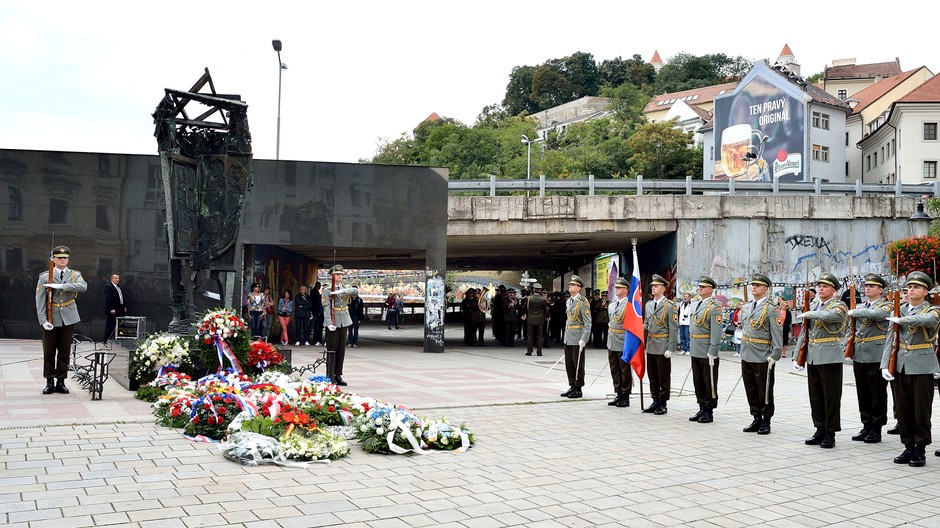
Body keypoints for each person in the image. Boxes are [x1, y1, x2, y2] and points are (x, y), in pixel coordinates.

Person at [881, 271, 940, 467]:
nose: (911, 290)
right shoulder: (899, 310)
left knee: (921, 409)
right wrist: (885, 365)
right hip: (900, 365)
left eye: (916, 287)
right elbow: (890, 339)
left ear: (925, 291)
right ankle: (908, 445)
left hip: (922, 366)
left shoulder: (932, 310)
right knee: (903, 408)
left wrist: (902, 320)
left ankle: (920, 448)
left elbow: (928, 321)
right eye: (909, 287)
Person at [793, 272, 848, 449]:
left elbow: (831, 317)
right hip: (812, 355)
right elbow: (805, 332)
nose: (821, 289)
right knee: (815, 396)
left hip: (830, 355)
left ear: (833, 290)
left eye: (825, 286)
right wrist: (797, 357)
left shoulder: (839, 306)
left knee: (831, 396)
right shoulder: (813, 305)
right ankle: (819, 428)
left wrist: (811, 313)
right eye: (819, 286)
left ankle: (830, 432)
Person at [35, 245, 87, 395]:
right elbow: (39, 299)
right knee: (49, 351)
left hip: (68, 318)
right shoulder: (45, 276)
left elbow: (83, 287)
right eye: (59, 258)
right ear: (53, 259)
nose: (63, 260)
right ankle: (49, 381)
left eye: (65, 258)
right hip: (51, 316)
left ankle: (61, 381)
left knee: (64, 351)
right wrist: (43, 319)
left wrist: (61, 286)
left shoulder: (74, 275)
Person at [846, 274, 891, 444]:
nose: (867, 288)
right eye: (866, 286)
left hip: (877, 354)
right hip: (860, 354)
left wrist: (855, 311)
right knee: (863, 392)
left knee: (877, 393)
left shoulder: (887, 306)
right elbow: (852, 329)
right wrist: (847, 347)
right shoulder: (860, 306)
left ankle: (876, 427)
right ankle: (866, 424)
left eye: (872, 286)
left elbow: (876, 314)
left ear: (880, 289)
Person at [738, 273, 783, 434]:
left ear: (765, 288)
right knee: (750, 387)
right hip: (747, 352)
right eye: (753, 285)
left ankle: (766, 420)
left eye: (758, 285)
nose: (754, 287)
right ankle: (756, 417)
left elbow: (777, 333)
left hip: (762, 354)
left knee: (764, 389)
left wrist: (775, 354)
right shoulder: (746, 307)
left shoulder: (771, 309)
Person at [688, 275, 723, 423]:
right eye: (699, 286)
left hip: (706, 349)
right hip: (695, 347)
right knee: (698, 381)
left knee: (709, 381)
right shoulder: (696, 304)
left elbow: (716, 331)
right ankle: (701, 406)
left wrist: (713, 350)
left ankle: (709, 410)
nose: (699, 289)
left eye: (703, 287)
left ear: (710, 290)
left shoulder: (715, 307)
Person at [643, 274, 678, 415]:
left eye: (656, 286)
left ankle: (663, 403)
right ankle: (655, 400)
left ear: (663, 289)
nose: (653, 288)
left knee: (663, 376)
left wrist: (671, 348)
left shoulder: (670, 306)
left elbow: (673, 329)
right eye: (652, 286)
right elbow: (647, 324)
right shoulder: (649, 305)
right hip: (651, 344)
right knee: (652, 375)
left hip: (663, 345)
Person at [322, 265, 358, 386]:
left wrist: (342, 291)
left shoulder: (344, 288)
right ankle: (330, 375)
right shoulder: (327, 291)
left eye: (341, 274)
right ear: (332, 276)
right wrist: (328, 323)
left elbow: (355, 291)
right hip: (334, 322)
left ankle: (338, 374)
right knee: (332, 350)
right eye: (337, 274)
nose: (340, 276)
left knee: (341, 350)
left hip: (344, 321)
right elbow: (326, 308)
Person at [560, 275, 592, 399]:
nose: (570, 286)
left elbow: (587, 323)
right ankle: (572, 385)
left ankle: (578, 388)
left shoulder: (583, 302)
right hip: (568, 336)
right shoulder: (569, 301)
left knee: (578, 363)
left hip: (578, 337)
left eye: (573, 285)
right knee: (569, 364)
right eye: (570, 284)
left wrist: (584, 339)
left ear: (579, 288)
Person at [606, 277, 633, 407]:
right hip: (612, 340)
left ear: (626, 290)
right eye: (616, 287)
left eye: (619, 287)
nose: (616, 289)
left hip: (623, 341)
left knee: (624, 369)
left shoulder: (629, 305)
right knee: (615, 369)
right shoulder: (612, 305)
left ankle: (625, 395)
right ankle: (618, 393)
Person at [525, 283, 548, 356]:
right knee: (539, 336)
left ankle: (529, 351)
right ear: (540, 290)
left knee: (530, 336)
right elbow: (546, 309)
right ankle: (539, 352)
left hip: (530, 318)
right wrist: (547, 316)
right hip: (540, 319)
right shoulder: (543, 299)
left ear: (534, 290)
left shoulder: (529, 298)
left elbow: (525, 308)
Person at [103, 272, 127, 343]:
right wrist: (111, 309)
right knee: (110, 325)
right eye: (116, 278)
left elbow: (121, 297)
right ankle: (106, 340)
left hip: (119, 308)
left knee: (118, 325)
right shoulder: (109, 287)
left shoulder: (118, 287)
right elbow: (108, 299)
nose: (117, 279)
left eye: (118, 278)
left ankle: (115, 340)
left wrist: (123, 306)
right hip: (113, 310)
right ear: (112, 279)